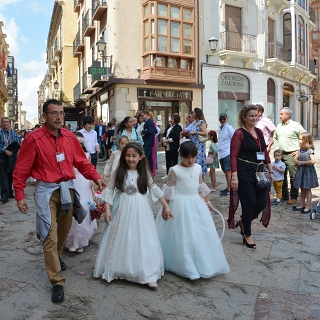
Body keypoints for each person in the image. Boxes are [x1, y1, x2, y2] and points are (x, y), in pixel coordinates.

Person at [12, 99, 105, 303]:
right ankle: (57, 282)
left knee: (63, 231)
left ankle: (56, 255)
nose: (58, 117)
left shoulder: (70, 137)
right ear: (44, 116)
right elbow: (21, 169)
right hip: (45, 190)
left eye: (61, 113)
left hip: (67, 190)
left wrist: (96, 178)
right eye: (54, 113)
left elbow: (81, 162)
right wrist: (19, 195)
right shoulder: (33, 138)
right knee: (49, 235)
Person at [93, 142, 173, 288]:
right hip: (122, 206)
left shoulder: (144, 172)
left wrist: (166, 206)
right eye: (128, 156)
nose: (130, 159)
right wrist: (108, 209)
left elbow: (154, 189)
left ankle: (148, 273)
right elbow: (109, 190)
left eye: (134, 156)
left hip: (141, 208)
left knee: (142, 237)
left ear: (141, 157)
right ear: (124, 156)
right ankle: (120, 268)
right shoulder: (119, 171)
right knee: (123, 235)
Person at [156, 141, 230, 279]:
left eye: (193, 157)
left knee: (198, 232)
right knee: (182, 233)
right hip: (179, 204)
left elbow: (201, 186)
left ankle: (203, 263)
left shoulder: (197, 167)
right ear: (180, 156)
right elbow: (169, 190)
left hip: (196, 203)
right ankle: (185, 264)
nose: (190, 160)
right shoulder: (174, 170)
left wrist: (208, 202)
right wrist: (165, 208)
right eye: (186, 157)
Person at [228, 104, 274, 249]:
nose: (255, 118)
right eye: (251, 116)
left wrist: (271, 171)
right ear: (244, 117)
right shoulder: (239, 133)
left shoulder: (259, 132)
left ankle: (243, 222)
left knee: (261, 203)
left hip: (259, 171)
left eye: (256, 116)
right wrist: (234, 177)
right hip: (244, 171)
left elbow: (265, 153)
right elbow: (233, 156)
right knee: (249, 204)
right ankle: (247, 234)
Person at [65, 132, 97, 253]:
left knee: (83, 207)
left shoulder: (87, 154)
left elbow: (88, 168)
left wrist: (92, 180)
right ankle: (71, 241)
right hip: (72, 181)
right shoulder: (68, 154)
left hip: (83, 182)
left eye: (80, 143)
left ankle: (81, 242)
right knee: (71, 208)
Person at [272, 107, 306, 205]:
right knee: (281, 175)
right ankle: (284, 194)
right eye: (279, 114)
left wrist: (299, 150)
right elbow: (275, 138)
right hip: (281, 154)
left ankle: (294, 196)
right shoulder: (279, 126)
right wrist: (277, 150)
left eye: (281, 114)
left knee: (293, 176)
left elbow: (305, 137)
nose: (279, 116)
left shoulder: (296, 125)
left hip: (292, 154)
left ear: (288, 115)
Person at [292, 132, 318, 214]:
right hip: (301, 171)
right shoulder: (300, 150)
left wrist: (302, 162)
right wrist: (296, 160)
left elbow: (313, 161)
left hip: (307, 172)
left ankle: (308, 206)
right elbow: (296, 158)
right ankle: (302, 204)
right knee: (302, 188)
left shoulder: (310, 150)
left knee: (307, 189)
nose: (299, 141)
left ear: (306, 140)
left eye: (301, 139)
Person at [0, 117, 20, 204]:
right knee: (3, 175)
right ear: (1, 123)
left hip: (11, 156)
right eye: (4, 122)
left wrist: (12, 151)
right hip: (2, 156)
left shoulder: (13, 132)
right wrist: (5, 150)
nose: (6, 123)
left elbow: (17, 142)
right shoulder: (0, 133)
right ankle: (4, 196)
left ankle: (10, 193)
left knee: (10, 174)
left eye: (7, 122)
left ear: (9, 123)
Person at [184, 108, 208, 176]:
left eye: (194, 112)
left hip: (199, 146)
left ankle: (201, 183)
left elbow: (205, 133)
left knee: (198, 165)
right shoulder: (194, 123)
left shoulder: (201, 122)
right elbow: (186, 129)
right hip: (193, 145)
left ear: (197, 113)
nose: (192, 114)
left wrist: (195, 132)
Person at [217, 113, 235, 196]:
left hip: (227, 152)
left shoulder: (229, 128)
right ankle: (228, 187)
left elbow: (234, 139)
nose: (222, 120)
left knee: (228, 172)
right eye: (221, 119)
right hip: (221, 153)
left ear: (227, 119)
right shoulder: (221, 128)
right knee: (225, 171)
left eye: (224, 119)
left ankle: (229, 189)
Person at [161, 114, 182, 180]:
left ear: (176, 120)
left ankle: (175, 174)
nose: (171, 120)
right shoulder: (169, 126)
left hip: (174, 146)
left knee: (174, 160)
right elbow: (164, 134)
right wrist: (164, 140)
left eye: (172, 119)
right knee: (168, 160)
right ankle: (167, 173)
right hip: (167, 146)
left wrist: (168, 140)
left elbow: (176, 137)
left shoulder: (178, 127)